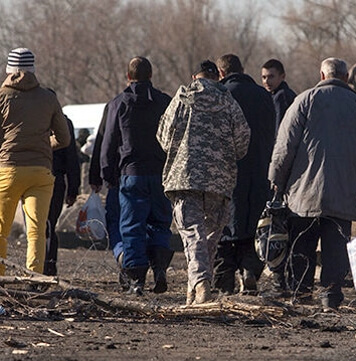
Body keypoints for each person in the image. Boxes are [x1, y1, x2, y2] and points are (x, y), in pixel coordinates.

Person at [269, 57, 356, 309]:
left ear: (322, 76)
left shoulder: (304, 100)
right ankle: (330, 296)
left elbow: (285, 146)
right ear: (346, 78)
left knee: (302, 242)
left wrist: (276, 180)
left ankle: (301, 294)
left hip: (304, 192)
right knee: (336, 246)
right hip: (345, 192)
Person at [157, 60, 250, 305]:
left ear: (194, 76)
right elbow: (242, 142)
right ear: (217, 76)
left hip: (185, 177)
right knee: (209, 238)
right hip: (220, 181)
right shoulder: (229, 101)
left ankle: (199, 284)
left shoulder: (182, 97)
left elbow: (164, 137)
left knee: (192, 235)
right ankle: (196, 288)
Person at [0, 48, 71, 276]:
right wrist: (44, 146)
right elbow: (64, 138)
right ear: (33, 69)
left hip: (8, 170)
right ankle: (35, 278)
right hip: (40, 171)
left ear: (9, 70)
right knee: (36, 230)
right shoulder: (49, 98)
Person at [100, 56, 174, 295]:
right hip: (161, 174)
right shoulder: (165, 102)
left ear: (128, 77)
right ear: (151, 76)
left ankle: (136, 279)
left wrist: (106, 173)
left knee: (132, 225)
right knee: (160, 223)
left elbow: (109, 141)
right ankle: (160, 268)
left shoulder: (118, 104)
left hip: (131, 174)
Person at [213, 54, 277, 295]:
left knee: (225, 227)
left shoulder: (221, 95)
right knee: (254, 225)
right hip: (259, 171)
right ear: (243, 70)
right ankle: (250, 269)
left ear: (221, 73)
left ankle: (224, 283)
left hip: (228, 173)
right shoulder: (264, 96)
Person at [45, 105, 80, 277]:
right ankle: (50, 265)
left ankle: (39, 264)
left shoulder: (33, 119)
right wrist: (73, 188)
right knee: (51, 224)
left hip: (35, 176)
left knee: (37, 226)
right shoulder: (65, 123)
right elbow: (72, 158)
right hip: (56, 179)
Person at [90, 103, 124, 263]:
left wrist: (97, 176)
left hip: (118, 177)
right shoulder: (161, 102)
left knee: (115, 221)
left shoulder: (116, 105)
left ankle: (122, 254)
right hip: (153, 175)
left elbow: (104, 142)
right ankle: (154, 263)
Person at [261, 59, 296, 127]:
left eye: (271, 77)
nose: (266, 81)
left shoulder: (281, 96)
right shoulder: (279, 94)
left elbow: (278, 126)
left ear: (282, 77)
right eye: (264, 77)